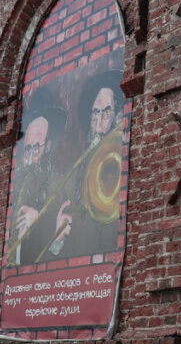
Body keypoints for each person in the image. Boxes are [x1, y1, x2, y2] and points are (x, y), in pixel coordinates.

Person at [51, 71, 125, 259]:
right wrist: (58, 241)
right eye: (95, 113)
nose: (99, 123)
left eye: (106, 112)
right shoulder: (76, 178)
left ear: (118, 116)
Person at [6, 105, 65, 265]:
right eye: (28, 149)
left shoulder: (58, 183)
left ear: (49, 147)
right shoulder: (16, 184)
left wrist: (38, 221)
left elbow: (61, 245)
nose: (31, 156)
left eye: (37, 147)